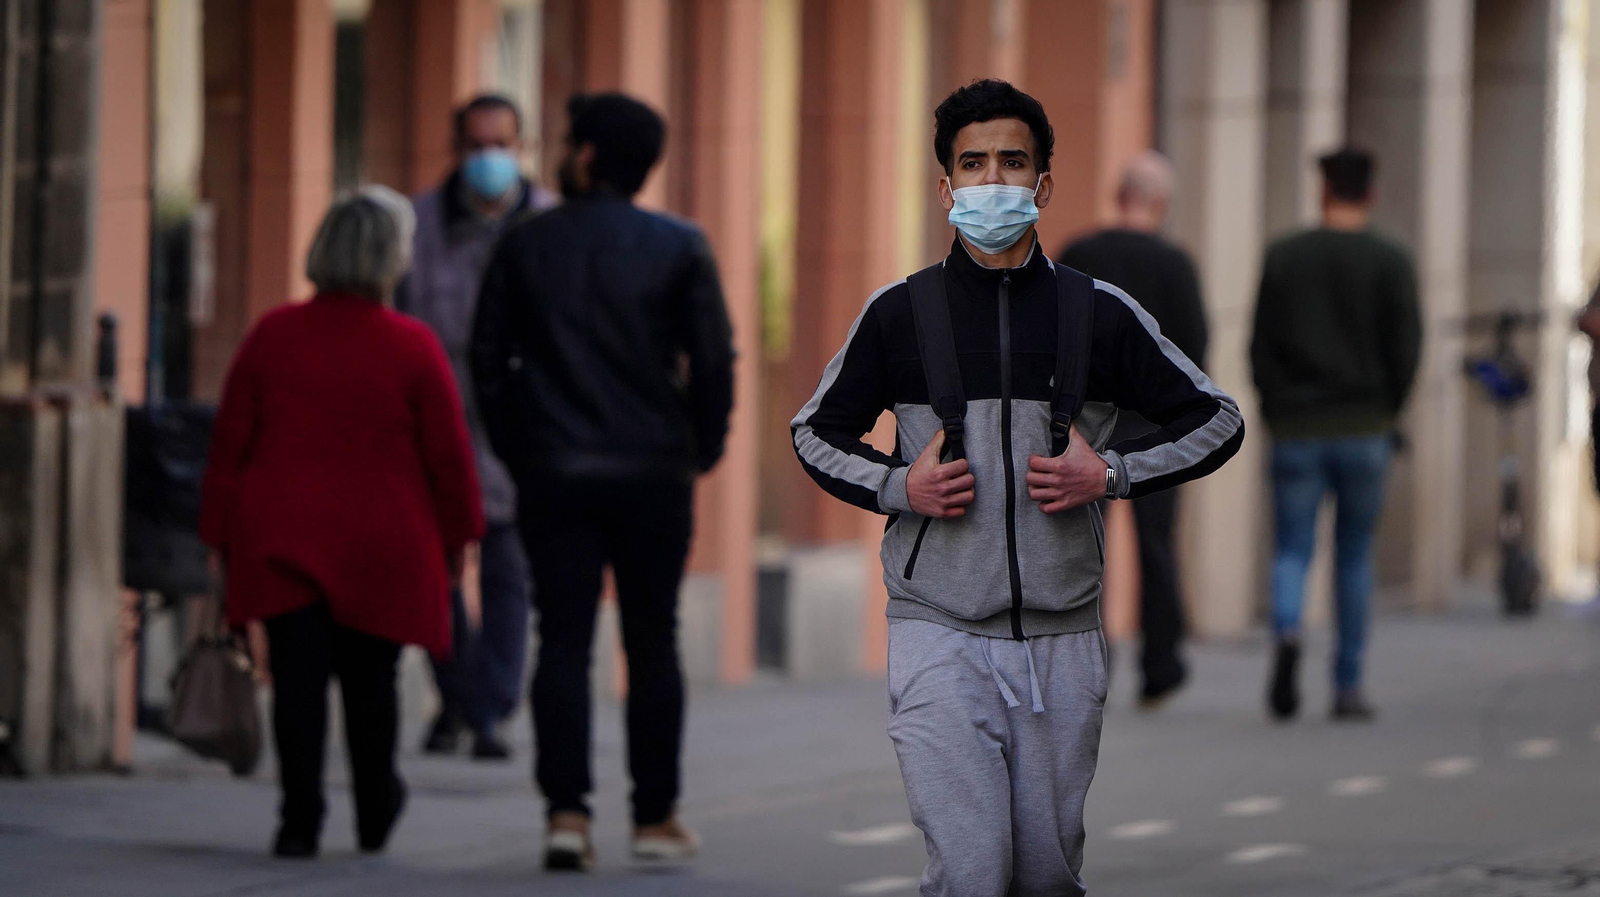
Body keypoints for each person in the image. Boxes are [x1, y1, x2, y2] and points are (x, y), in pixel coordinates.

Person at [792, 79, 1244, 897]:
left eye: (1012, 162)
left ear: (1043, 185)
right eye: (973, 163)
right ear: (945, 186)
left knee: (1043, 877)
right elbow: (812, 432)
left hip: (1062, 639)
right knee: (972, 873)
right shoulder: (900, 313)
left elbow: (1218, 419)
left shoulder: (1097, 313)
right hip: (937, 631)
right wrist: (901, 487)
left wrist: (1107, 474)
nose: (992, 180)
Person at [471, 92, 734, 871]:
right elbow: (714, 361)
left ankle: (566, 814)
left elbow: (487, 361)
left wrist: (523, 449)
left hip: (555, 469)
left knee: (563, 639)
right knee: (654, 639)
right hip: (654, 469)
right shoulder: (679, 246)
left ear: (584, 155)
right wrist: (702, 446)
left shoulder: (526, 244)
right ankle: (654, 817)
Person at [199, 188, 485, 858]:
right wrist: (460, 535)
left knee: (297, 681)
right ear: (392, 259)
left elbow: (230, 445)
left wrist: (216, 533)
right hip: (383, 542)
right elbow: (448, 454)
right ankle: (375, 803)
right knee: (371, 681)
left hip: (284, 534)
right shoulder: (413, 345)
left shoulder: (273, 335)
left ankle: (298, 819)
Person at [397, 94, 556, 761]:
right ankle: (459, 694)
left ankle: (485, 708)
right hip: (437, 424)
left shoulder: (550, 224)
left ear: (522, 148)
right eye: (476, 144)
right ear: (456, 150)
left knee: (507, 576)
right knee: (432, 574)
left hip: (518, 431)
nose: (489, 157)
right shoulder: (420, 224)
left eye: (502, 143)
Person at [1250, 146, 1421, 723]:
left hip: (1297, 427)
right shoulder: (1391, 260)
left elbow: (1260, 345)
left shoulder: (1286, 256)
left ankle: (1289, 630)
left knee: (1293, 548)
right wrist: (1389, 410)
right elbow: (1407, 346)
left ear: (1323, 191)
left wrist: (1276, 407)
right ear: (1369, 194)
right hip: (1366, 426)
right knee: (1353, 556)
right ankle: (1347, 683)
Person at [1058, 151, 1208, 708]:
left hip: (1083, 430)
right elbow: (1194, 352)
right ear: (1160, 203)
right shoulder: (1175, 265)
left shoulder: (1078, 256)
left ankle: (1085, 663)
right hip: (1156, 432)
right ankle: (1161, 665)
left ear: (1117, 195)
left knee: (1082, 547)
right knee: (1157, 545)